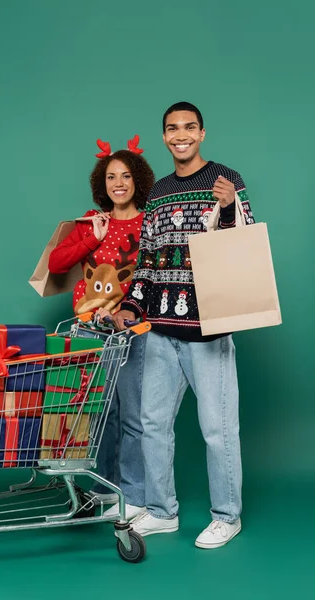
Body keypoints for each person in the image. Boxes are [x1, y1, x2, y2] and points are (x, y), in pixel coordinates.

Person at [113, 102, 255, 548]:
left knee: (217, 429)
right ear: (164, 137)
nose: (181, 135)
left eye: (189, 127)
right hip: (159, 330)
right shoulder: (156, 193)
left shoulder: (225, 179)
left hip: (208, 329)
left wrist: (229, 209)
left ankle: (226, 516)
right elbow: (148, 259)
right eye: (172, 129)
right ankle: (161, 511)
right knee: (153, 424)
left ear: (202, 133)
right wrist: (132, 307)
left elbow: (244, 245)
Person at [49, 136, 155, 519]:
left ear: (137, 180)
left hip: (131, 333)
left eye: (126, 176)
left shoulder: (150, 223)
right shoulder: (92, 222)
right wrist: (90, 239)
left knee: (133, 414)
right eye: (111, 177)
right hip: (90, 330)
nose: (119, 183)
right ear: (102, 183)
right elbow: (56, 265)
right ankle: (104, 488)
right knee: (99, 411)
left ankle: (134, 493)